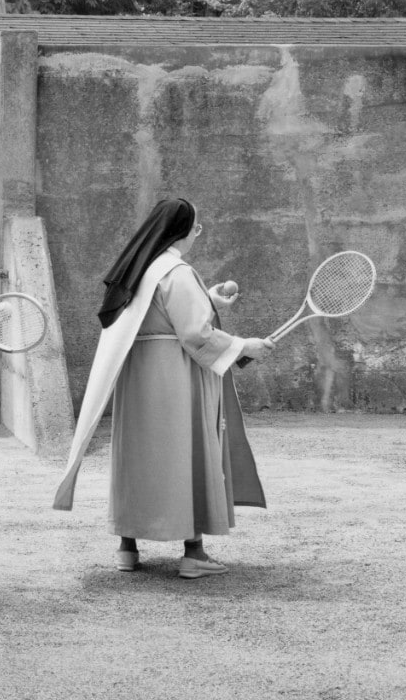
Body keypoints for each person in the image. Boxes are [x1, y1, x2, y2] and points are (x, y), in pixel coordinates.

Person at [54, 198, 273, 578]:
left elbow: (154, 311)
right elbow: (193, 332)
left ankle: (127, 547)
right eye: (196, 228)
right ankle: (194, 552)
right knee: (185, 450)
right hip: (175, 376)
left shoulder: (140, 266)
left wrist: (208, 297)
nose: (196, 235)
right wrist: (243, 346)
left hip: (137, 375)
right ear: (181, 230)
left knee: (137, 455)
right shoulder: (177, 271)